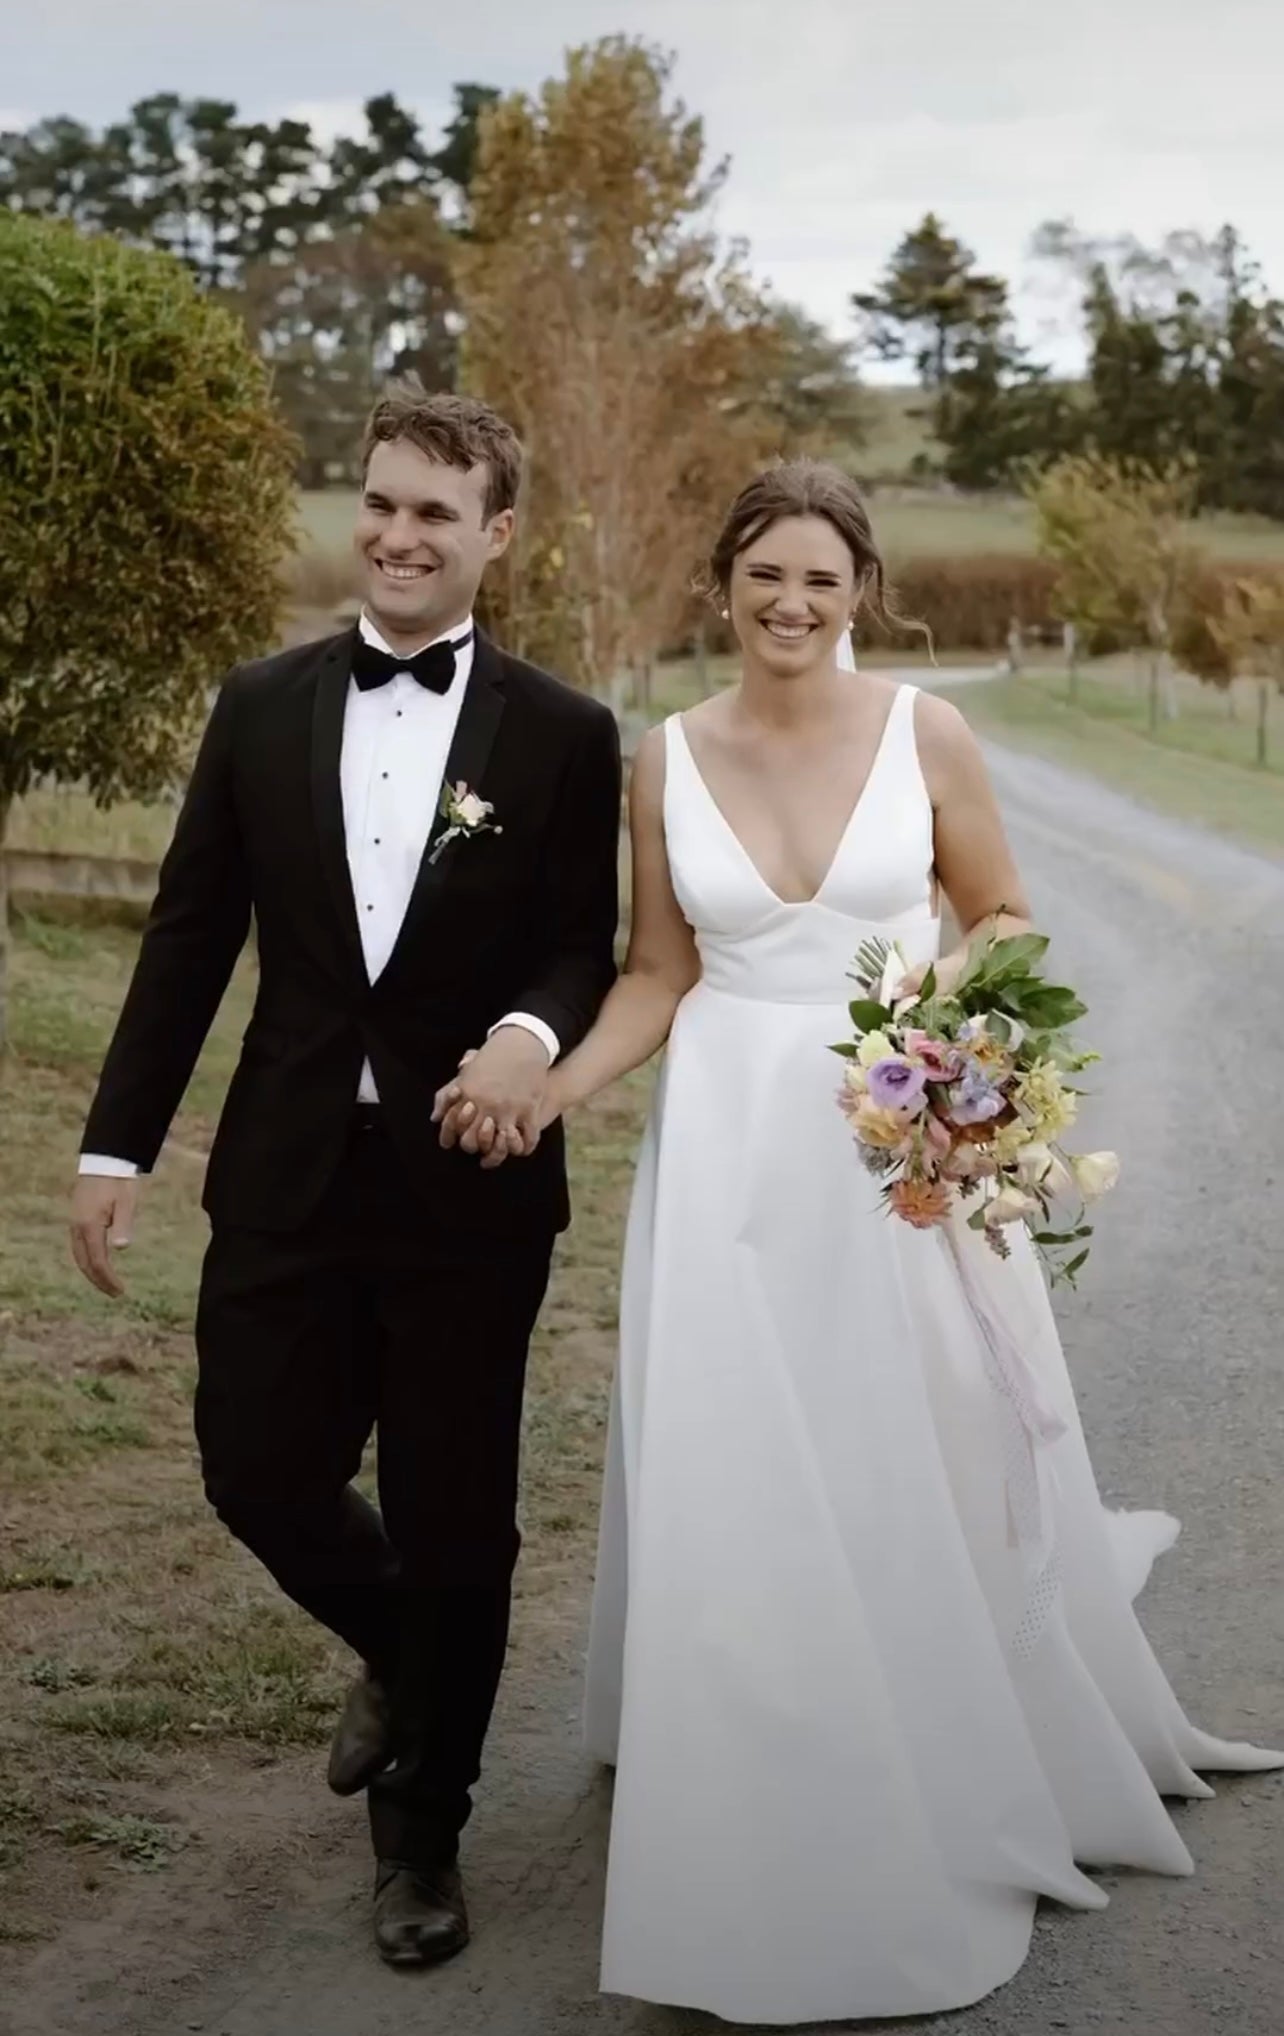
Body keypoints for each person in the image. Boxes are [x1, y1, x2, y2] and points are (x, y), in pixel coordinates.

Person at [518, 460, 1280, 2023]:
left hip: (896, 1141)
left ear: (863, 588)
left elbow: (999, 910)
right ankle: (760, 1757)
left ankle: (959, 1732)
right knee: (750, 1457)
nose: (791, 604)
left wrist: (933, 1021)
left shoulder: (924, 729)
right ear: (719, 585)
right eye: (764, 575)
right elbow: (658, 973)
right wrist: (551, 1088)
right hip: (728, 1155)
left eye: (821, 578)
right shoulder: (662, 758)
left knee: (917, 1439)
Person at [68, 380, 622, 1969]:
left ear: (494, 538)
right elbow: (188, 942)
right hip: (287, 1170)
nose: (396, 532)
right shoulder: (258, 705)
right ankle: (401, 1649)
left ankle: (422, 1846)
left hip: (474, 1185)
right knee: (255, 1467)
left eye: (434, 512)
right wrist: (117, 1143)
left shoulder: (569, 734)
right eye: (379, 501)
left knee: (462, 1518)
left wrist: (526, 1034)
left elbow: (581, 941)